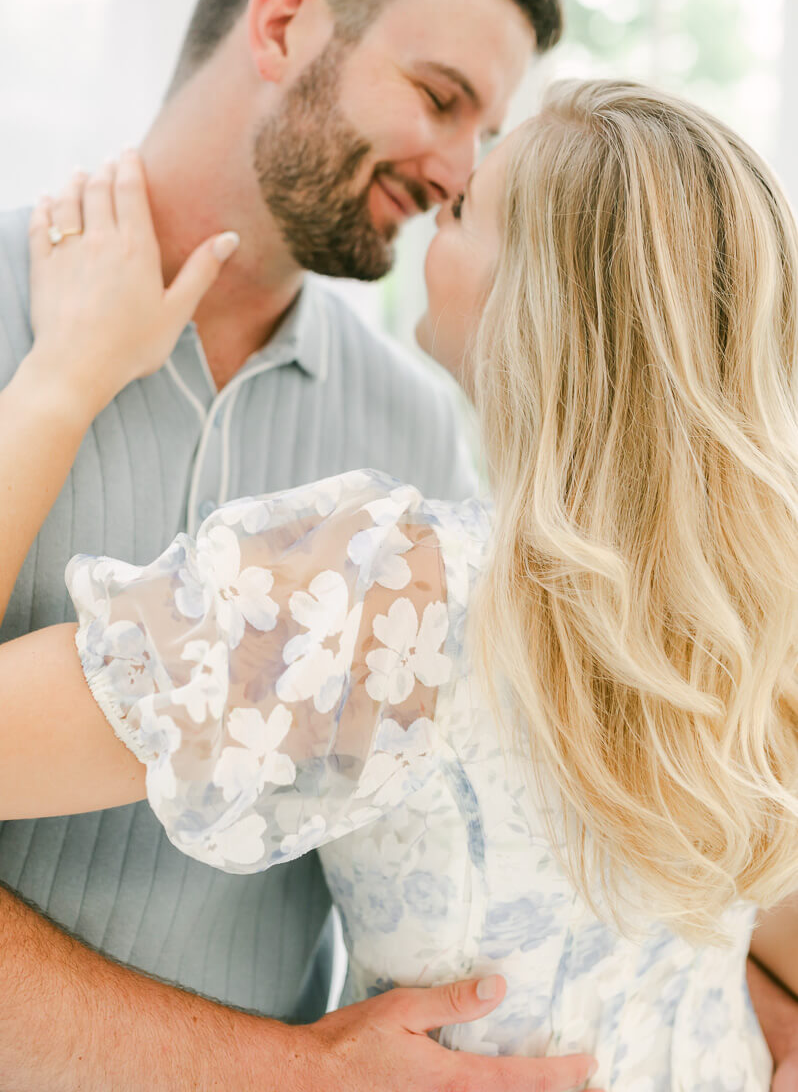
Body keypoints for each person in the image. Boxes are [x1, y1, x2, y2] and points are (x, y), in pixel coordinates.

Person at [5, 76, 798, 1090]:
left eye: (465, 211)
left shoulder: (387, 593)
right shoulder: (757, 599)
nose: (434, 214)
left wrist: (64, 373)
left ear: (536, 303)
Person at [0, 0, 607, 1089]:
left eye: (486, 137)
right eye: (442, 99)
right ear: (281, 24)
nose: (456, 176)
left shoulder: (419, 426)